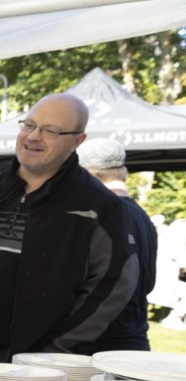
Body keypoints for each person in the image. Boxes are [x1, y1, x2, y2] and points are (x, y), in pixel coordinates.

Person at [0, 93, 138, 361]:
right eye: (29, 125)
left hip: (37, 364)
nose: (33, 137)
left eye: (50, 131)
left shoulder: (99, 205)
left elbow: (112, 284)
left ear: (77, 141)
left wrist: (55, 347)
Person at [76, 137, 156, 352]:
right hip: (131, 336)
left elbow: (110, 287)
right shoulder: (141, 215)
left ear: (91, 175)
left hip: (104, 345)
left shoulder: (109, 215)